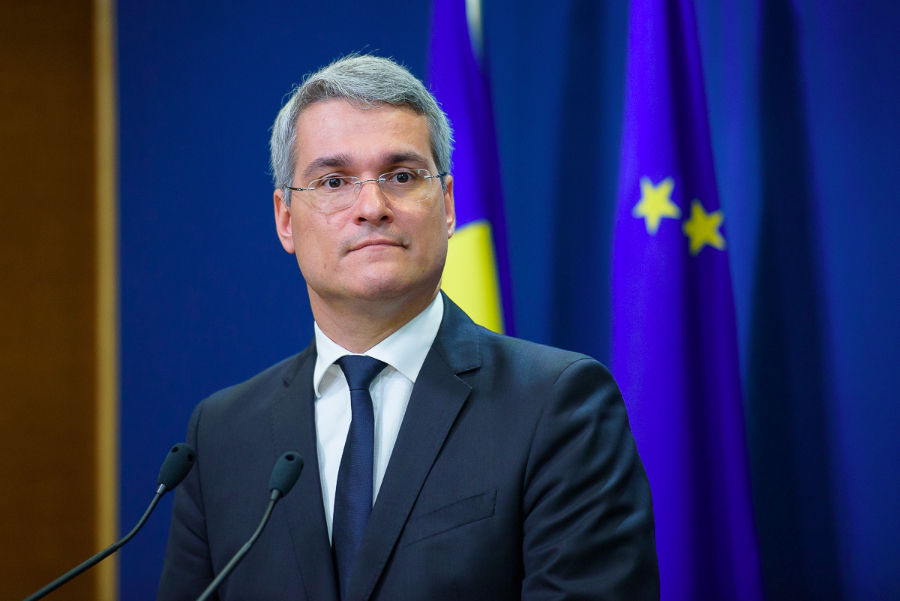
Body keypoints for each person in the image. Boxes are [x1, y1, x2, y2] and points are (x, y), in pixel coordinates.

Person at [158, 55, 659, 601]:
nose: (372, 207)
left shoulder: (558, 405)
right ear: (285, 219)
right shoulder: (221, 435)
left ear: (447, 204)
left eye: (401, 176)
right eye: (333, 181)